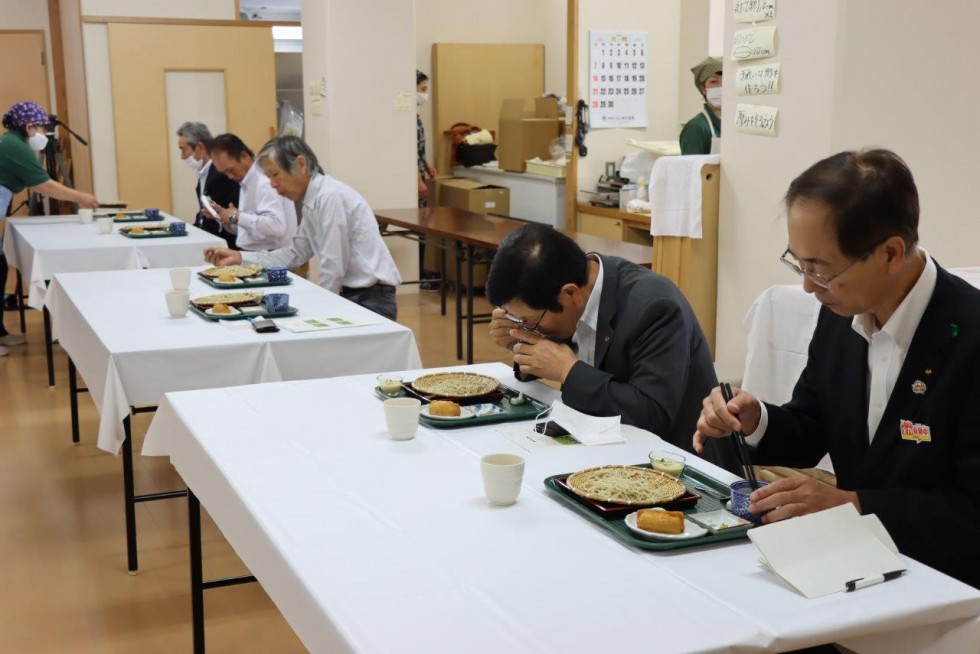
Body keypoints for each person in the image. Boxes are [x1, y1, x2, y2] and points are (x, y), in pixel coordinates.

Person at [694, 149, 980, 589]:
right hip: (848, 564)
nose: (807, 287)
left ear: (890, 253)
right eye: (798, 263)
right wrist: (754, 419)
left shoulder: (968, 334)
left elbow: (970, 512)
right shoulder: (841, 313)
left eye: (821, 270)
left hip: (944, 583)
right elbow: (813, 424)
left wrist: (855, 505)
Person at [486, 224, 736, 471]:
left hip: (678, 464)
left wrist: (568, 371)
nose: (528, 326)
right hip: (604, 449)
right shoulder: (577, 283)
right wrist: (523, 340)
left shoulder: (655, 306)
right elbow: (566, 351)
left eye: (530, 320)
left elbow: (652, 415)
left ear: (570, 294)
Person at [203, 136, 402, 320]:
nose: (272, 184)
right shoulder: (313, 200)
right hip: (354, 295)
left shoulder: (329, 197)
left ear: (301, 164)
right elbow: (295, 253)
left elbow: (333, 267)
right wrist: (239, 258)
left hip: (370, 300)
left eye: (275, 175)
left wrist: (320, 311)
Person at [0, 101, 99, 356]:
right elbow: (43, 184)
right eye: (42, 129)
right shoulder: (14, 146)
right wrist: (82, 197)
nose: (44, 135)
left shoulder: (11, 142)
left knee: (0, 266)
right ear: (29, 126)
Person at [208, 133, 297, 251]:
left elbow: (276, 227)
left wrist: (236, 215)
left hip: (274, 259)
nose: (229, 176)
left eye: (230, 170)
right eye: (224, 173)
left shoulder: (264, 182)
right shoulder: (246, 182)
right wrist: (225, 216)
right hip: (258, 255)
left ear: (244, 156)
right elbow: (250, 230)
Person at [176, 121, 239, 249]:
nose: (182, 156)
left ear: (199, 147)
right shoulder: (204, 173)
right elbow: (202, 216)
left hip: (223, 244)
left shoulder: (220, 175)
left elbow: (225, 221)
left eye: (184, 150)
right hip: (208, 238)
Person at [679, 57, 722, 155]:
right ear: (703, 89)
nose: (721, 87)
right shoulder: (696, 128)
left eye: (726, 81)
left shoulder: (735, 123)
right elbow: (690, 168)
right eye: (714, 82)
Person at [416, 69, 436, 207]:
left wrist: (426, 162)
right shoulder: (404, 119)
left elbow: (417, 146)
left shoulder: (414, 115)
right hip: (412, 178)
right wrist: (418, 182)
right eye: (422, 89)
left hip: (419, 170)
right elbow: (406, 153)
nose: (424, 94)